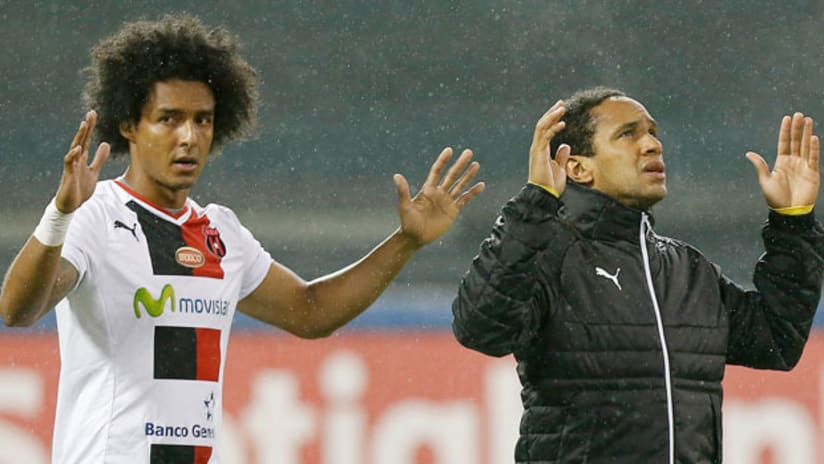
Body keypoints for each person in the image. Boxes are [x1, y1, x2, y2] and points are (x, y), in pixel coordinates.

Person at [0, 15, 485, 464]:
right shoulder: (96, 216)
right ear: (129, 125)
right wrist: (60, 213)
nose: (188, 137)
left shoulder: (221, 233)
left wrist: (407, 241)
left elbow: (312, 311)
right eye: (168, 119)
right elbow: (18, 311)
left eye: (202, 120)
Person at [451, 87, 824, 463]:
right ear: (578, 167)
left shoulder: (688, 270)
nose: (651, 145)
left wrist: (793, 224)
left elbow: (777, 340)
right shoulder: (550, 255)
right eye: (627, 134)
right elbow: (481, 329)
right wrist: (536, 202)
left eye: (653, 133)